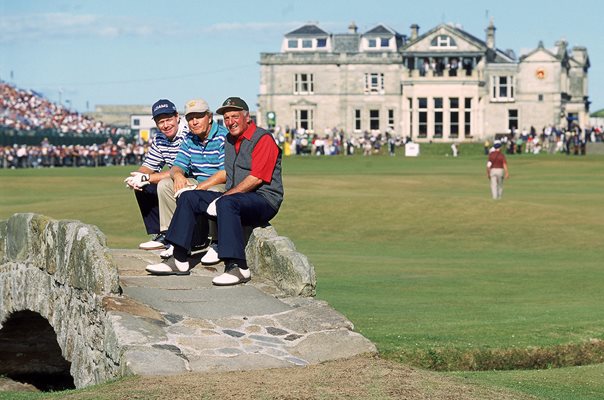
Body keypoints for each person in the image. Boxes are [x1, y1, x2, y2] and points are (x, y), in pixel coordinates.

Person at [146, 97, 284, 285]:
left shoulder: (262, 138)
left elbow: (256, 178)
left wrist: (224, 197)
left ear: (247, 117)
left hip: (264, 199)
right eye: (227, 118)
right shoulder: (229, 139)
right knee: (189, 196)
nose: (230, 122)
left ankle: (237, 267)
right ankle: (178, 258)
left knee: (226, 202)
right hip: (238, 196)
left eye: (235, 116)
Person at [153, 99, 228, 261]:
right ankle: (173, 238)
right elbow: (177, 166)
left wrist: (199, 188)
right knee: (166, 184)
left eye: (199, 117)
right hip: (199, 181)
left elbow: (225, 173)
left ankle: (217, 242)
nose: (194, 122)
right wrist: (178, 175)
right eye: (190, 118)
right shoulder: (189, 138)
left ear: (209, 117)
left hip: (220, 184)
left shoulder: (223, 137)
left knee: (213, 192)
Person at [124, 99, 187, 250]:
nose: (165, 125)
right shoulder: (159, 137)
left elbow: (183, 169)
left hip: (190, 177)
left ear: (177, 116)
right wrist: (137, 177)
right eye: (160, 122)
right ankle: (162, 235)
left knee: (158, 183)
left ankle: (175, 235)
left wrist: (147, 178)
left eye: (168, 120)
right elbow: (149, 165)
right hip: (174, 178)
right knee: (144, 186)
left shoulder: (188, 133)